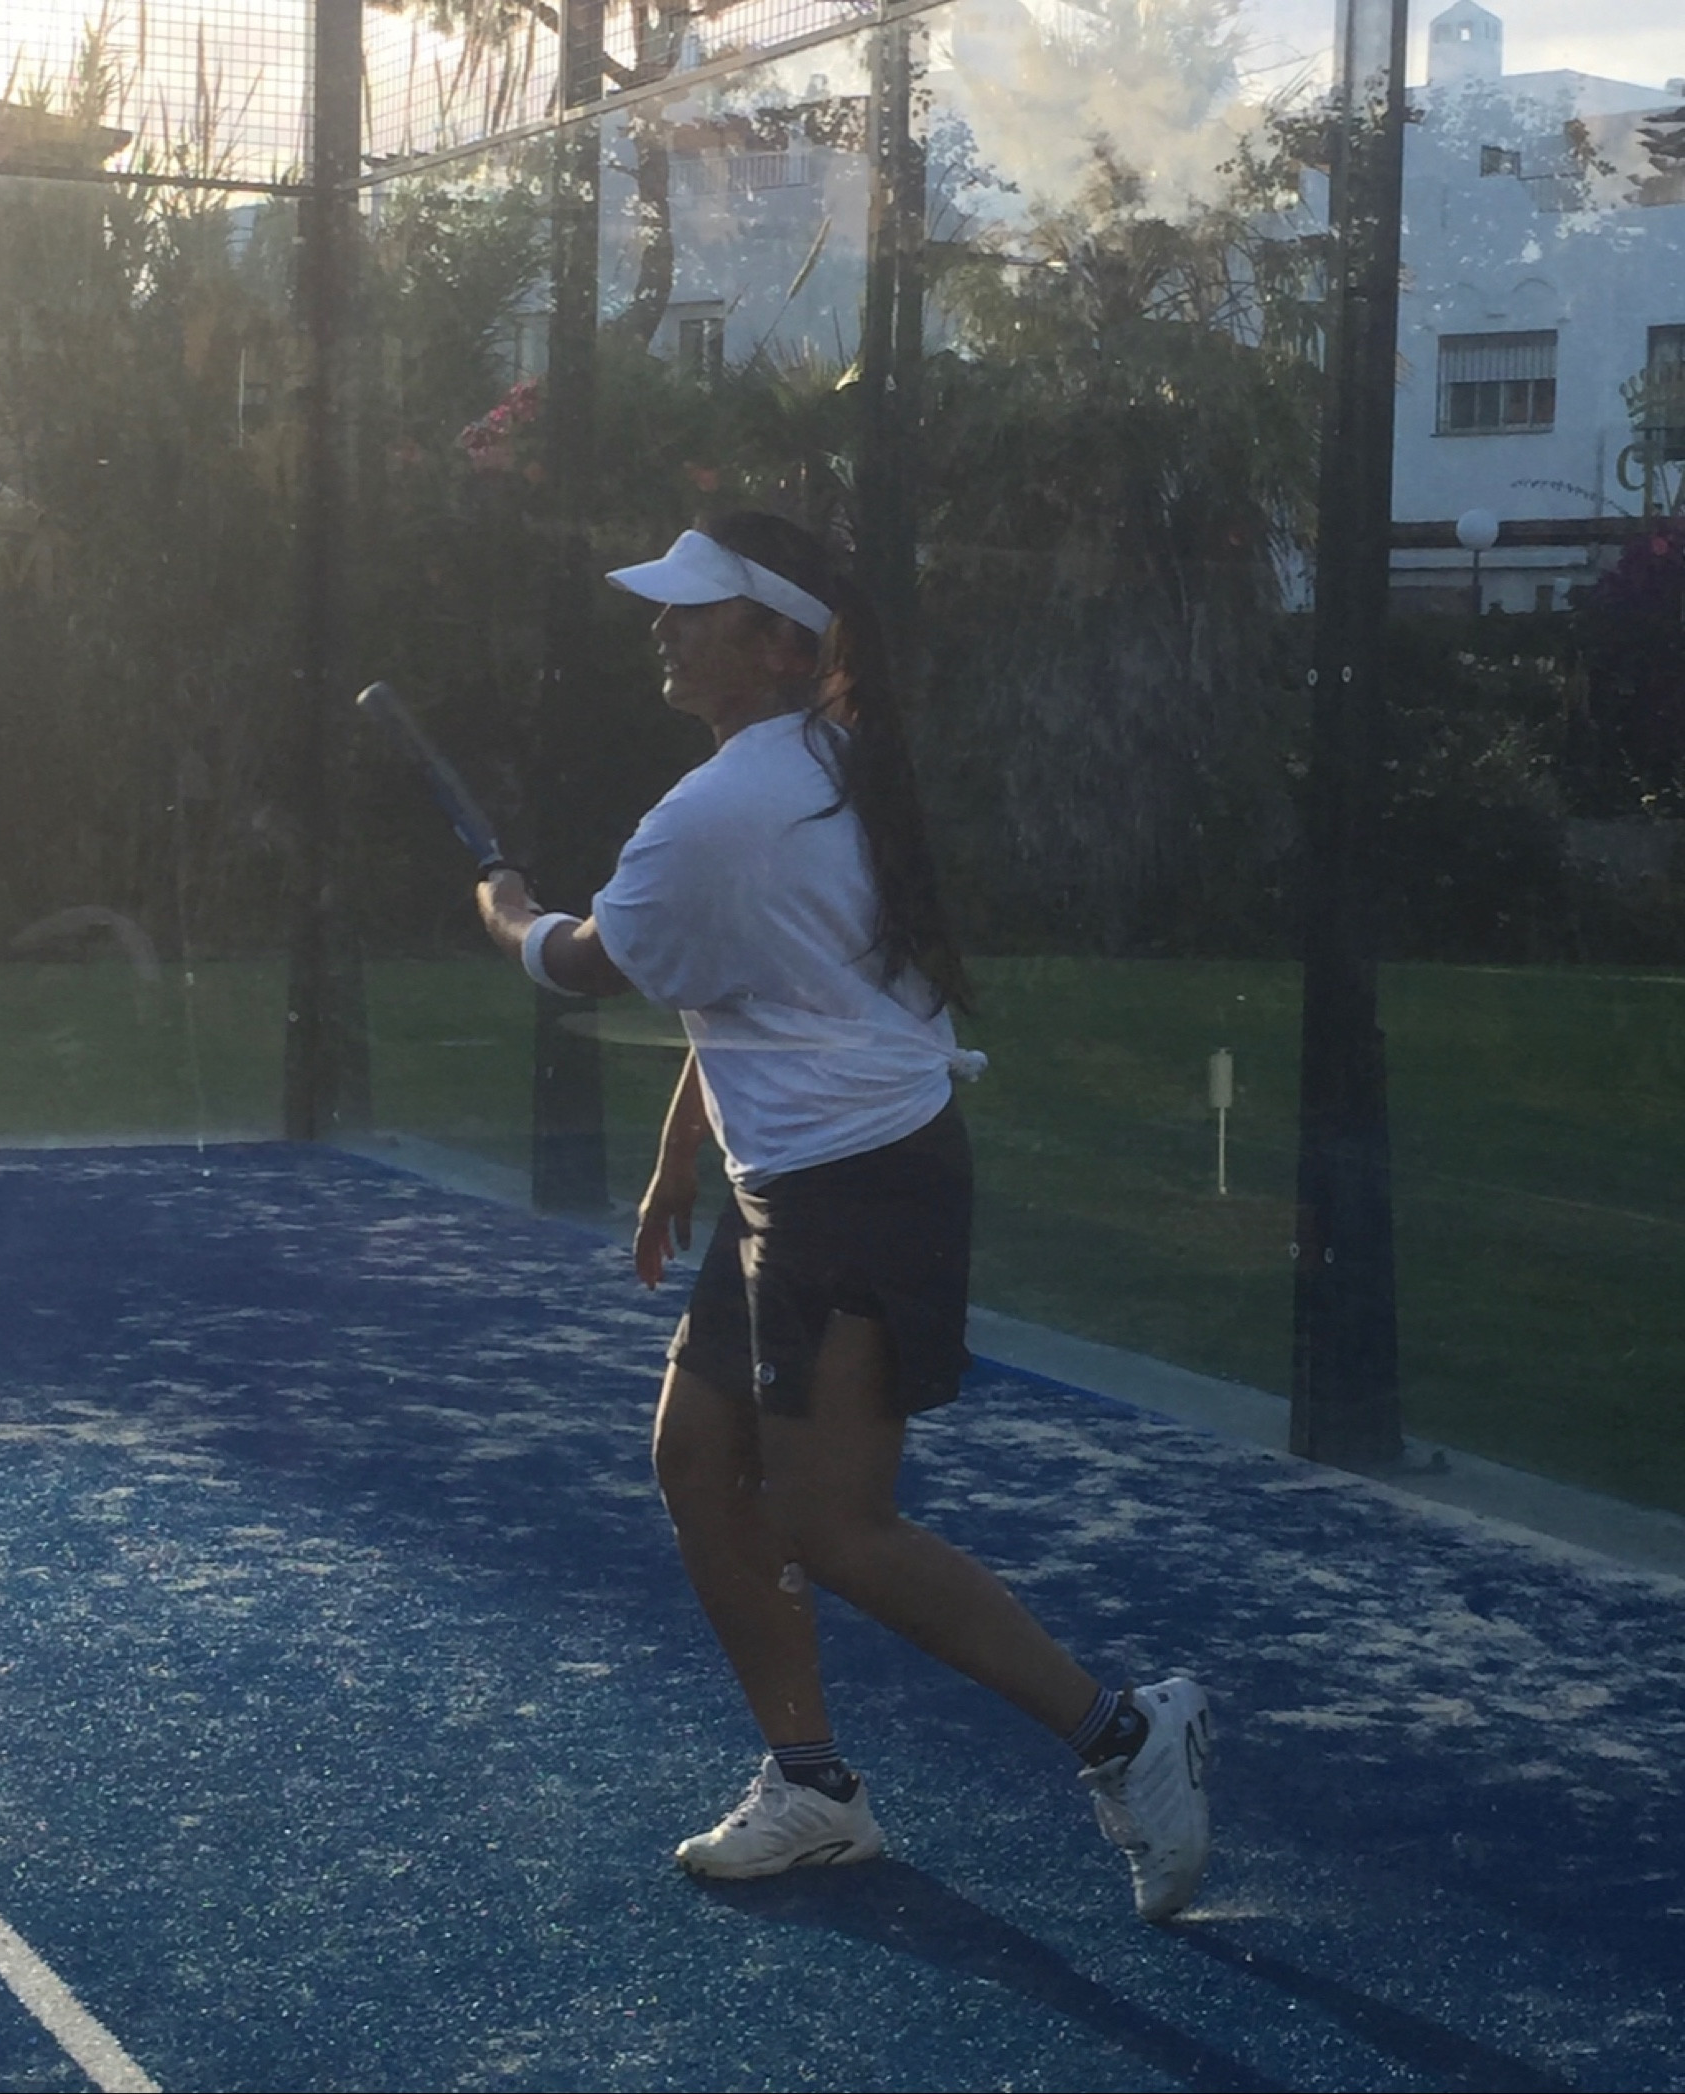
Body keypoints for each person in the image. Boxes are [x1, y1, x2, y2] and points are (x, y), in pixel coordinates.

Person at [474, 512, 1210, 1920]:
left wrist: (502, 910)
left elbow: (578, 963)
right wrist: (680, 1155)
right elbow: (755, 982)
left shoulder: (727, 807)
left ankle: (1125, 1732)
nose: (663, 627)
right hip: (797, 1182)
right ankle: (812, 1785)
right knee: (699, 1460)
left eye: (694, 610)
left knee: (835, 1521)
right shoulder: (820, 765)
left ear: (777, 644)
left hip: (857, 1184)